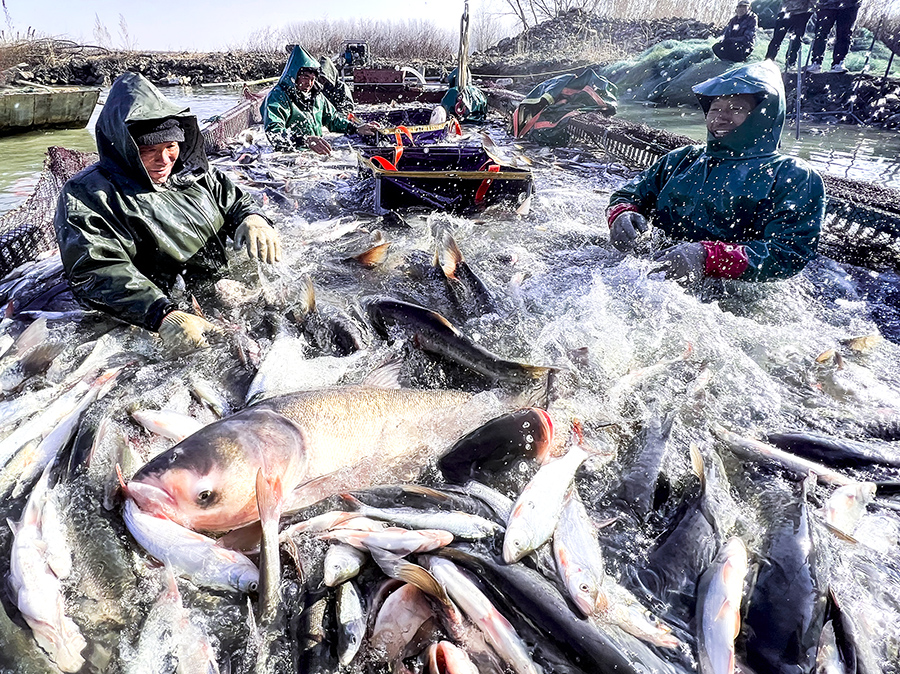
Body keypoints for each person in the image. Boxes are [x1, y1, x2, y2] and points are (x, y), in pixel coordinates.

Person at [54, 72, 281, 352]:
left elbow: (234, 199)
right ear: (125, 148)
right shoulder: (87, 194)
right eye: (149, 150)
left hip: (219, 288)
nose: (164, 160)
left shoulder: (191, 172)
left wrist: (253, 217)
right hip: (159, 311)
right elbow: (95, 269)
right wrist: (161, 313)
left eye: (170, 146)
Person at [606, 60, 825, 284]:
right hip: (650, 273)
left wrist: (708, 257)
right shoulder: (682, 158)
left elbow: (788, 253)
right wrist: (621, 214)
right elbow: (628, 194)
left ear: (764, 115)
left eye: (736, 108)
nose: (721, 117)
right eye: (715, 108)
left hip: (733, 293)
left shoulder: (794, 175)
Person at [261, 45, 378, 155]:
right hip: (289, 154)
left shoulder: (317, 96)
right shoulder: (278, 97)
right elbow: (274, 133)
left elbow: (333, 120)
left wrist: (356, 128)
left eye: (312, 79)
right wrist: (304, 140)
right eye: (305, 77)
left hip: (314, 154)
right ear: (294, 75)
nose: (309, 83)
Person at [805, 0, 860, 73]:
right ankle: (816, 62)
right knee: (821, 33)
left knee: (844, 34)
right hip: (826, 5)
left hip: (849, 5)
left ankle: (838, 63)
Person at [764, 0, 815, 69]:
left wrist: (814, 7)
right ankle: (768, 60)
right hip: (786, 10)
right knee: (777, 39)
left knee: (797, 40)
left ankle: (791, 63)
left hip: (802, 12)